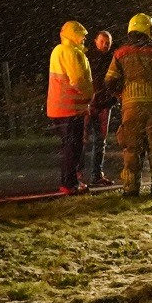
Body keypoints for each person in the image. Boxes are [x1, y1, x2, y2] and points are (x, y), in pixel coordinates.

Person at [104, 12, 152, 196]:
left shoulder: (120, 54)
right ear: (149, 31)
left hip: (131, 109)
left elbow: (109, 81)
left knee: (131, 149)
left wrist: (123, 96)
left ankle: (130, 188)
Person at [46, 20, 95, 193]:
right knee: (73, 148)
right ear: (74, 35)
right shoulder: (72, 53)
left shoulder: (57, 51)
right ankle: (70, 183)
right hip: (71, 108)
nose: (84, 39)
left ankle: (69, 181)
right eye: (81, 35)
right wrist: (90, 95)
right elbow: (79, 81)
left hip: (58, 108)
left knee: (68, 146)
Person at [84, 30, 117, 186]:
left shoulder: (112, 59)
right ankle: (77, 175)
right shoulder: (87, 57)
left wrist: (112, 98)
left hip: (104, 104)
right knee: (83, 140)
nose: (105, 45)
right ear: (95, 41)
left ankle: (96, 175)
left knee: (100, 141)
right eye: (102, 41)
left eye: (107, 42)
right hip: (89, 104)